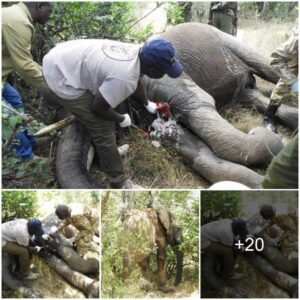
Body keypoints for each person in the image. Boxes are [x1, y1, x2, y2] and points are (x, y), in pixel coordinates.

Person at [43, 38, 183, 188]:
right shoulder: (124, 76)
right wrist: (121, 118)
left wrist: (146, 103)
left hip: (63, 56)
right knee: (102, 127)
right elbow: (98, 107)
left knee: (109, 108)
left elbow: (135, 79)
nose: (165, 74)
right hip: (60, 75)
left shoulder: (139, 52)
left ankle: (105, 155)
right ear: (152, 70)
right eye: (164, 71)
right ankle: (119, 182)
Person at [2, 2, 53, 160]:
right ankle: (26, 157)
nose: (49, 16)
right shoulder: (19, 21)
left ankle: (31, 140)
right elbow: (24, 65)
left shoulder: (16, 15)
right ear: (39, 6)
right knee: (8, 118)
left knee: (14, 100)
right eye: (49, 12)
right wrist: (53, 85)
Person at [264, 26, 298, 132]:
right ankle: (269, 117)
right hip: (296, 62)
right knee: (284, 85)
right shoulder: (295, 41)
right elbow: (276, 59)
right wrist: (291, 80)